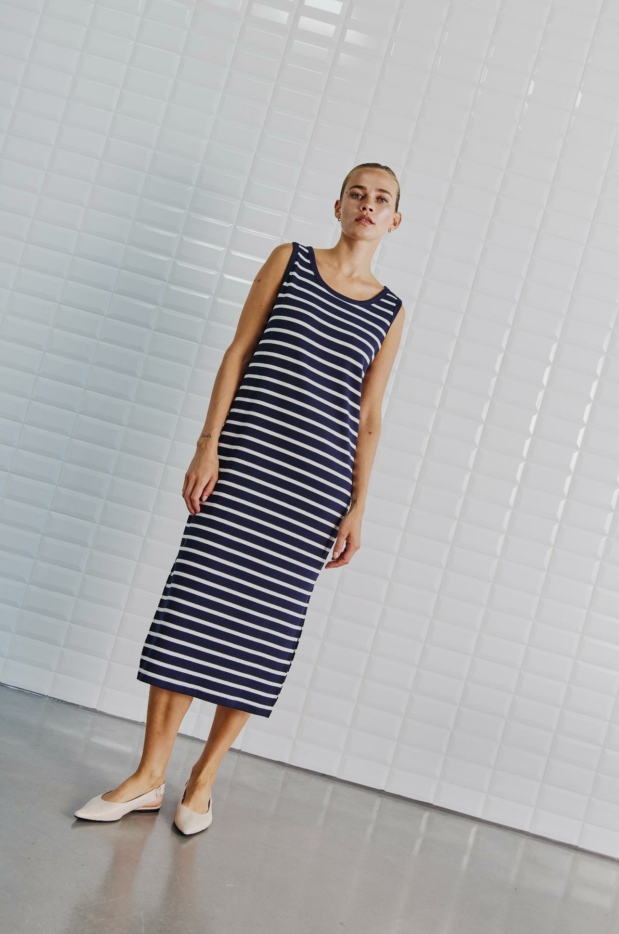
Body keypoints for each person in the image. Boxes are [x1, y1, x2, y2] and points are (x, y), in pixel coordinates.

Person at [74, 162, 405, 835]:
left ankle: (204, 778)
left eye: (381, 199)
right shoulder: (289, 260)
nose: (367, 205)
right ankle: (149, 775)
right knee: (190, 606)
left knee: (264, 628)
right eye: (357, 193)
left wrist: (358, 504)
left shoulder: (390, 309)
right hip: (245, 461)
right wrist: (208, 443)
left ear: (394, 220)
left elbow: (369, 416)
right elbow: (239, 350)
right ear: (338, 204)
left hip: (315, 487)